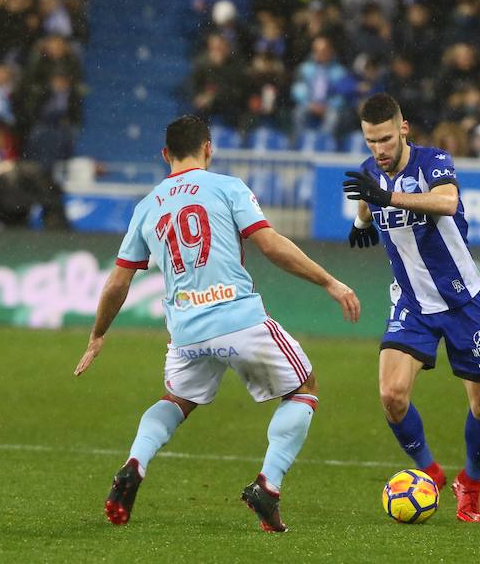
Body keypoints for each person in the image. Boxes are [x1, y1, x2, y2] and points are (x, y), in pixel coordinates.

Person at [74, 115, 360, 532]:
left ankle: (135, 462)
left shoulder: (147, 206)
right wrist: (329, 282)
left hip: (186, 330)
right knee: (304, 388)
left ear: (164, 155)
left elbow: (120, 279)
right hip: (238, 319)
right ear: (209, 148)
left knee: (176, 400)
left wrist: (98, 334)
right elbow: (270, 245)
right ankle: (269, 485)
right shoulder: (228, 187)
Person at [342, 93, 480, 523]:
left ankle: (471, 481)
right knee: (391, 396)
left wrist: (386, 199)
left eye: (387, 139)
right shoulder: (370, 172)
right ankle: (430, 473)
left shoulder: (434, 162)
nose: (380, 150)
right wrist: (360, 222)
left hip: (462, 300)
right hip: (412, 302)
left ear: (404, 129)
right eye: (372, 141)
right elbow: (365, 190)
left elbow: (446, 202)